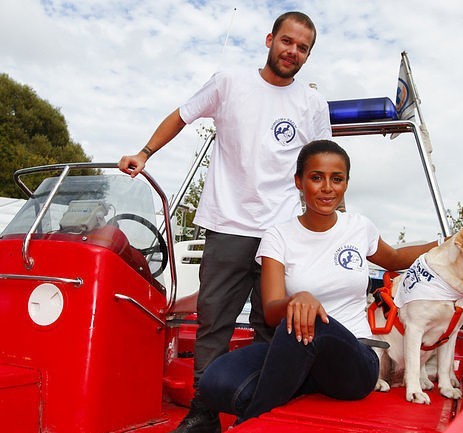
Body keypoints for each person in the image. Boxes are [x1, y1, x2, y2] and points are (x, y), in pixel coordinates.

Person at [118, 11, 332, 433]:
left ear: (308, 55)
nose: (293, 51)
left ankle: (265, 410)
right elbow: (181, 115)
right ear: (270, 39)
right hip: (228, 223)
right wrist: (144, 154)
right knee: (214, 322)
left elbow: (321, 161)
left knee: (276, 326)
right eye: (287, 41)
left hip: (283, 232)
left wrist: (327, 220)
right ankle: (204, 411)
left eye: (302, 48)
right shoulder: (229, 82)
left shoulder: (312, 103)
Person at [198, 140, 442, 426]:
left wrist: (444, 244)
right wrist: (296, 299)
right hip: (296, 350)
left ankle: (250, 423)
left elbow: (396, 257)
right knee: (214, 382)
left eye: (336, 179)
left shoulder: (359, 227)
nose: (327, 187)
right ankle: (294, 387)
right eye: (316, 178)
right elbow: (273, 310)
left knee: (310, 321)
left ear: (346, 184)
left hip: (355, 359)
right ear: (299, 182)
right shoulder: (278, 236)